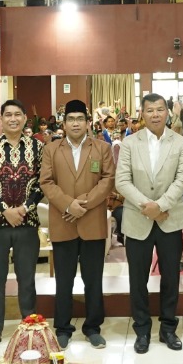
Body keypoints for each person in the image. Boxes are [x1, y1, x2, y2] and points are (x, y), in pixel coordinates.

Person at [115, 93, 183, 354]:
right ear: (142, 114)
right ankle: (142, 330)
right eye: (150, 110)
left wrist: (160, 206)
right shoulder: (129, 143)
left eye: (160, 110)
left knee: (171, 277)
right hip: (138, 219)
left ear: (167, 113)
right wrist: (146, 207)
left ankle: (168, 328)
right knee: (138, 279)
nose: (156, 114)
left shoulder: (180, 142)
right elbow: (122, 181)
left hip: (169, 219)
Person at [38, 99, 116, 350]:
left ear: (87, 122)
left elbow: (108, 180)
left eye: (80, 119)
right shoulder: (51, 149)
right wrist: (67, 205)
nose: (75, 123)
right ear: (63, 123)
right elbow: (46, 182)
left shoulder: (101, 148)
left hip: (92, 221)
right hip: (63, 221)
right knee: (64, 279)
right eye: (70, 119)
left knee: (93, 278)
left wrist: (81, 203)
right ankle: (63, 327)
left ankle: (93, 327)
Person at [0, 100, 44, 353]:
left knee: (27, 279)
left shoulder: (38, 147)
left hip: (27, 223)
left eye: (18, 114)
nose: (13, 119)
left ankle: (29, 328)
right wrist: (5, 209)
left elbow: (41, 182)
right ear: (1, 118)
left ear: (26, 118)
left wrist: (23, 209)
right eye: (8, 115)